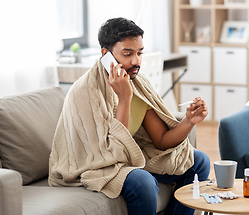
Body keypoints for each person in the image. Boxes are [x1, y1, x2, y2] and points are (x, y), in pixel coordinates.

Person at [49, 17, 210, 215]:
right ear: (105, 54)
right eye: (127, 54)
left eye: (139, 53)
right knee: (143, 182)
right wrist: (124, 99)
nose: (136, 61)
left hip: (128, 160)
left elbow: (160, 140)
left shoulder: (137, 84)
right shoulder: (85, 91)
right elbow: (110, 154)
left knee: (200, 161)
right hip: (98, 166)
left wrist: (188, 121)